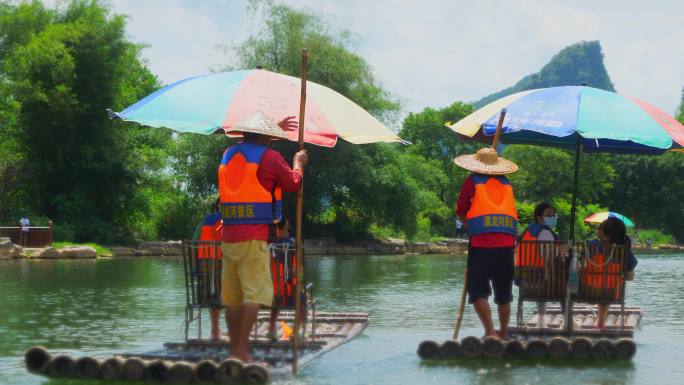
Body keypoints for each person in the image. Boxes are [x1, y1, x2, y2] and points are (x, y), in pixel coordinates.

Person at [219, 110, 307, 362]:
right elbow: (292, 183)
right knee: (255, 295)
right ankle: (241, 352)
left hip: (229, 235)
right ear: (266, 136)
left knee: (233, 299)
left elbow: (255, 151)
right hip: (254, 236)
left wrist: (270, 131)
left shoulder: (229, 154)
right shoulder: (271, 156)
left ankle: (234, 351)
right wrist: (298, 164)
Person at [454, 147, 518, 339]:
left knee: (477, 289)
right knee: (504, 291)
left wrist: (470, 226)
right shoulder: (507, 184)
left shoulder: (471, 182)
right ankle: (504, 332)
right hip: (507, 243)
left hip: (482, 243)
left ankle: (490, 332)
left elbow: (461, 210)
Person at [586, 217, 638, 331]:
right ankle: (600, 324)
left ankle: (568, 321)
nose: (597, 229)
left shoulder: (590, 245)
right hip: (613, 292)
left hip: (587, 289)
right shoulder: (624, 250)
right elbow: (630, 275)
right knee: (608, 285)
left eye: (599, 227)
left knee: (601, 283)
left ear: (606, 236)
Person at [516, 203, 559, 327]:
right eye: (548, 215)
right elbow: (552, 258)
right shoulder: (545, 233)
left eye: (553, 215)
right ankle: (568, 320)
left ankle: (540, 320)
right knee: (569, 279)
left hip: (524, 281)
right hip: (542, 281)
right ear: (539, 217)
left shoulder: (527, 233)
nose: (552, 218)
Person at [267, 218, 305, 341]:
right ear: (283, 228)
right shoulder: (294, 246)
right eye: (288, 228)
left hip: (272, 293)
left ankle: (271, 329)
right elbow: (297, 273)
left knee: (276, 296)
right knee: (303, 300)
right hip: (289, 293)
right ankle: (295, 332)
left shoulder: (270, 247)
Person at [193, 200, 225, 339]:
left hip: (205, 268)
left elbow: (194, 242)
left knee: (214, 293)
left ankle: (215, 331)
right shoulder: (232, 221)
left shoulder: (205, 221)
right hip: (222, 266)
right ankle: (232, 331)